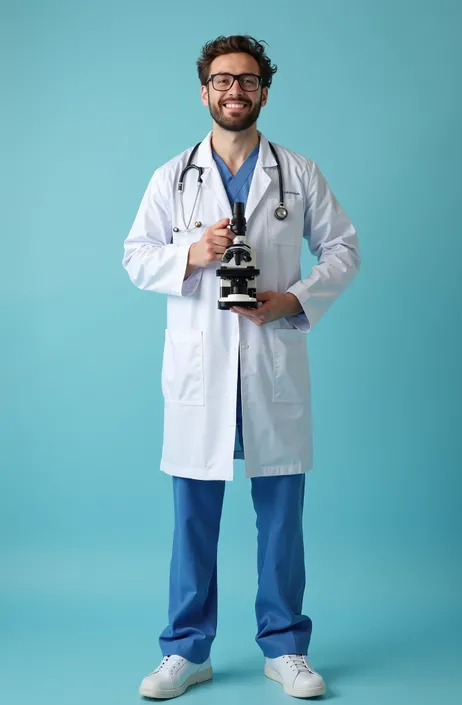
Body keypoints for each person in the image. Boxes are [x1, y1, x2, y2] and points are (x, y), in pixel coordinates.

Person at [123, 34, 360, 700]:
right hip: (200, 373)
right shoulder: (172, 176)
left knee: (281, 516)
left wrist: (296, 298)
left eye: (248, 81)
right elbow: (136, 256)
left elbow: (342, 249)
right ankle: (185, 650)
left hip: (270, 365)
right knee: (193, 517)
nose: (235, 91)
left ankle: (286, 647)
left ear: (263, 91)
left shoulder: (300, 173)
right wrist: (191, 254)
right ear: (204, 91)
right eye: (223, 80)